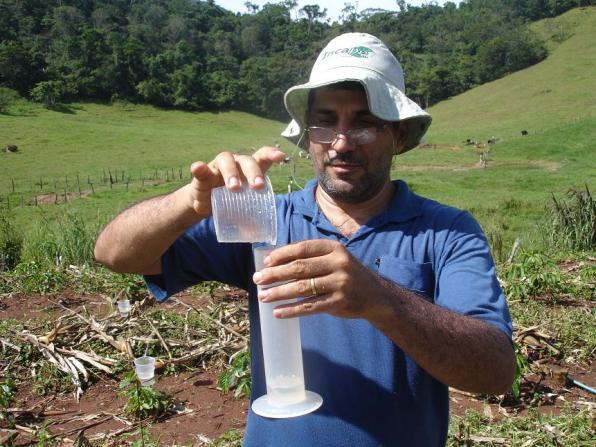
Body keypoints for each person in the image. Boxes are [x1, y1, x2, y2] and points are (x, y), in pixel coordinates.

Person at [95, 33, 515, 446]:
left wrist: (379, 298)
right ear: (308, 134)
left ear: (399, 135)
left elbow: (495, 371)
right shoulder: (265, 221)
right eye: (326, 121)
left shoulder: (447, 232)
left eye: (365, 122)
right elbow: (114, 253)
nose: (341, 142)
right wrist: (191, 201)